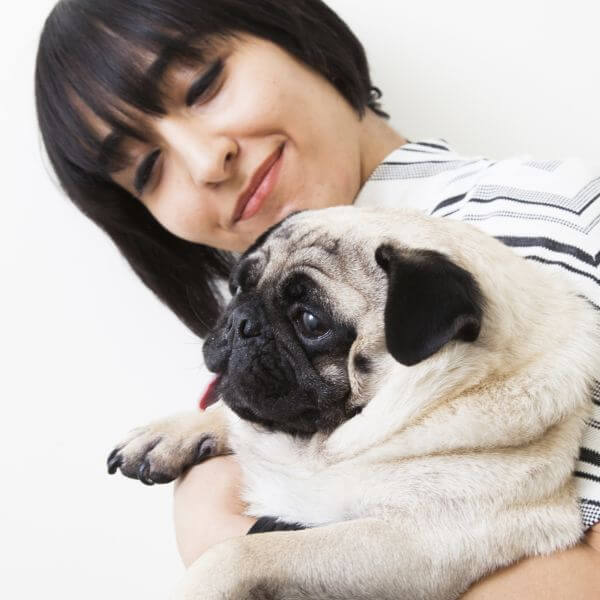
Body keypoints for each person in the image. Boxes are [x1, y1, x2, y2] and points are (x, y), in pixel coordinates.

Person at [35, 0, 600, 597]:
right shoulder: (267, 331)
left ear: (294, 30)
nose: (205, 161)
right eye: (148, 169)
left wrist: (236, 546)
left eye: (203, 85)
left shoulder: (552, 217)